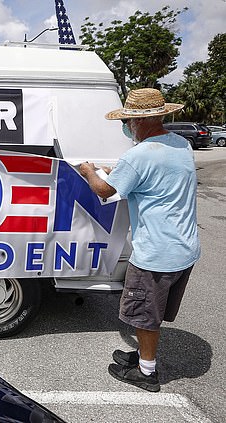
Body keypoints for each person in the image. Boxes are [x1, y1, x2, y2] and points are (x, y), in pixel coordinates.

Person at [79, 88, 200, 393]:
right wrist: (114, 173)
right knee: (151, 310)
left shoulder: (140, 154)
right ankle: (142, 356)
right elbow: (149, 181)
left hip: (156, 254)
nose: (127, 127)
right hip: (183, 248)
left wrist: (89, 172)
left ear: (139, 121)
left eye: (129, 121)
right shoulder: (180, 144)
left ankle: (147, 371)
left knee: (145, 313)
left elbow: (105, 191)